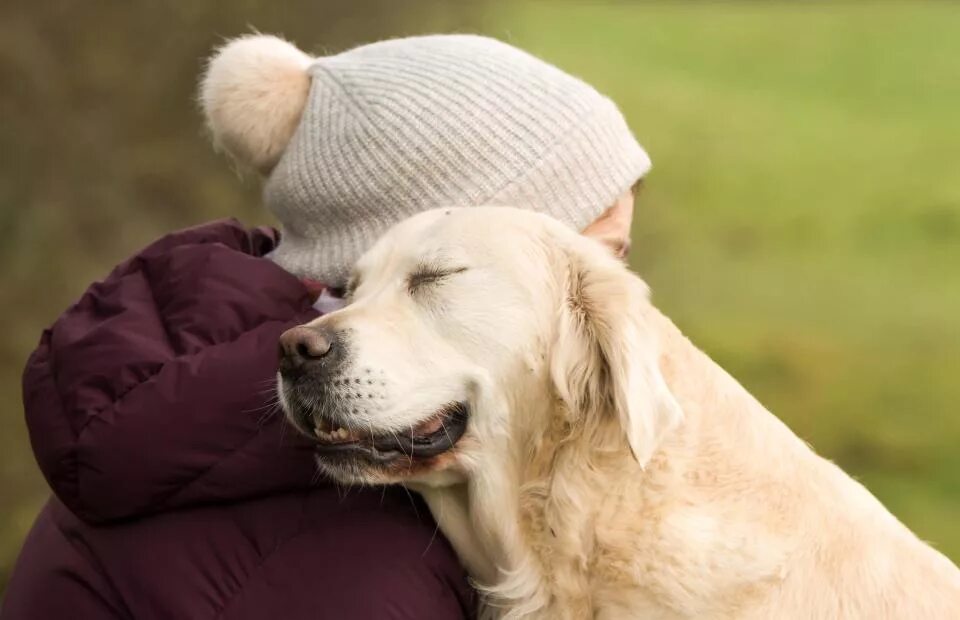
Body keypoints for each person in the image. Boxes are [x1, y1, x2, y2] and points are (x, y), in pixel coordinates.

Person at [1, 33, 649, 619]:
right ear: (438, 253)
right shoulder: (365, 548)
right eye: (601, 256)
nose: (623, 295)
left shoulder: (214, 394)